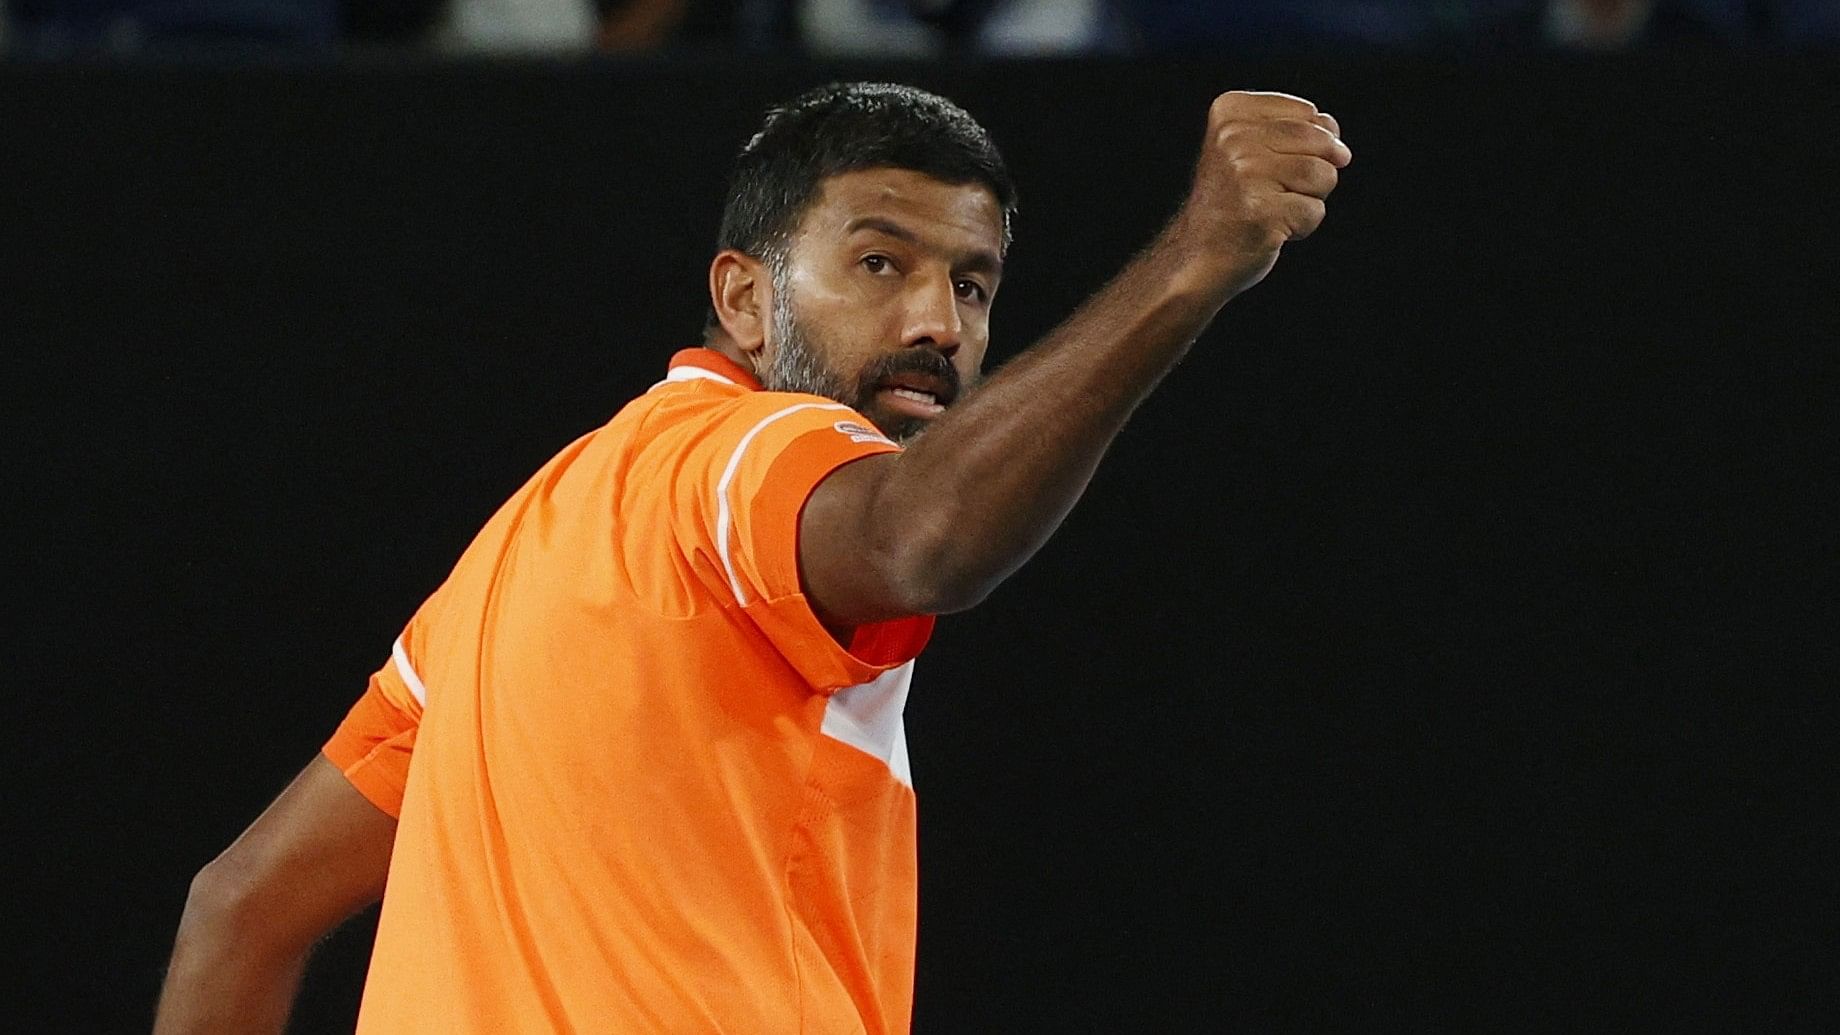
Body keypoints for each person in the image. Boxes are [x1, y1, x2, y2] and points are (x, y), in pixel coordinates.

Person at [153, 80, 1349, 1033]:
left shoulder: (502, 567)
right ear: (746, 302)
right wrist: (1196, 261)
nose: (940, 321)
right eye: (880, 263)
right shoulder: (750, 450)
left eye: (972, 284)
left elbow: (240, 911)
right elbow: (914, 540)